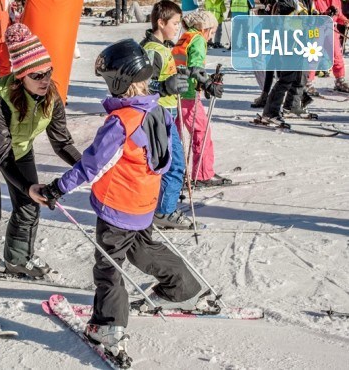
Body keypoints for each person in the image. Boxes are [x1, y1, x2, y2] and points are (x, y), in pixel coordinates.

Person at [37, 39, 217, 364]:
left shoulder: (120, 123)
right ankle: (183, 289)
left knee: (109, 266)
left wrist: (57, 189)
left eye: (108, 81)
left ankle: (109, 326)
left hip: (117, 207)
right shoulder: (158, 110)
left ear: (118, 82)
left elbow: (92, 165)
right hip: (143, 203)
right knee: (144, 249)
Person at [0, 23, 82, 303]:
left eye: (48, 72)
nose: (45, 80)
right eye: (37, 75)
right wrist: (27, 185)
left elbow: (62, 142)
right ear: (21, 76)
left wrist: (89, 167)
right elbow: (2, 155)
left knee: (29, 205)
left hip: (20, 149)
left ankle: (17, 260)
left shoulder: (51, 96)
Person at [139, 1, 196, 230]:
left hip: (167, 111)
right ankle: (164, 211)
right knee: (174, 164)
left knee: (170, 162)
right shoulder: (152, 50)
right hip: (158, 112)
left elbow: (167, 74)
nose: (177, 28)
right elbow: (142, 84)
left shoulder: (163, 47)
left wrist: (190, 74)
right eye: (174, 23)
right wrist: (163, 87)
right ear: (161, 23)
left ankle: (163, 203)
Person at [172, 10, 229, 187]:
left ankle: (172, 171)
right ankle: (202, 174)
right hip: (188, 94)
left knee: (175, 134)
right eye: (211, 33)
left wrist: (205, 81)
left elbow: (187, 65)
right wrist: (207, 83)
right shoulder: (197, 39)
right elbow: (195, 68)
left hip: (177, 90)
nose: (211, 37)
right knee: (201, 132)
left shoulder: (186, 36)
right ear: (205, 28)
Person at [306, 0, 349, 95]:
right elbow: (311, 13)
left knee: (337, 55)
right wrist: (325, 14)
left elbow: (338, 15)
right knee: (313, 55)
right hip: (317, 28)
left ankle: (340, 80)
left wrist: (345, 20)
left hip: (331, 28)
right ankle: (307, 82)